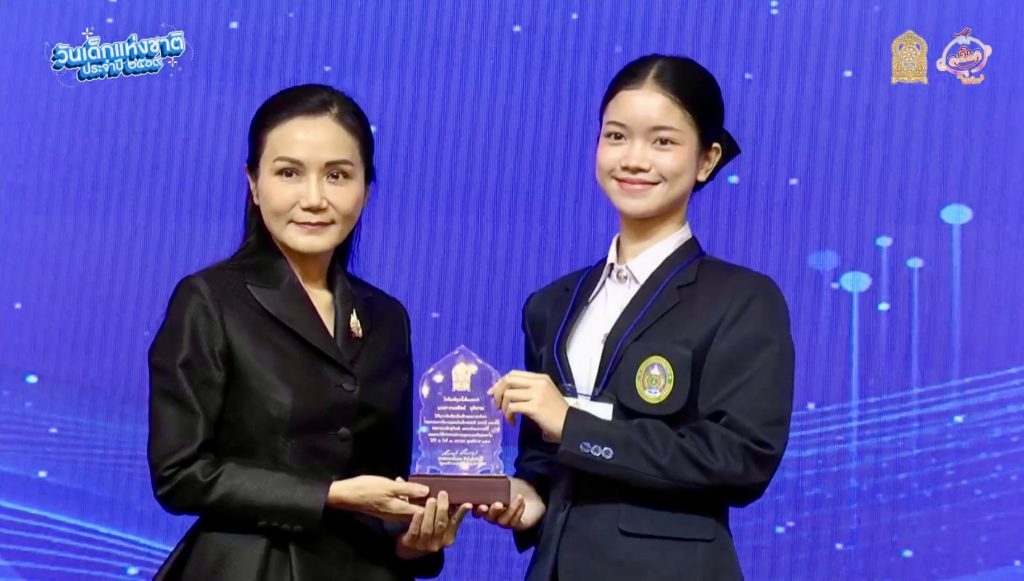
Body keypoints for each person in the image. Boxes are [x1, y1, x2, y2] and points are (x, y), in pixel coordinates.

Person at [480, 55, 796, 580]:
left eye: (663, 141)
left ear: (707, 159)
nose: (633, 159)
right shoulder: (551, 304)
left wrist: (574, 426)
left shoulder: (743, 299)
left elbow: (742, 460)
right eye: (616, 136)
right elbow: (545, 455)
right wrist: (528, 497)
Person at [148, 84, 471, 581]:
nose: (315, 199)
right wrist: (329, 496)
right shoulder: (209, 300)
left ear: (366, 188)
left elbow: (389, 484)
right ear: (254, 184)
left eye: (337, 175)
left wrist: (414, 543)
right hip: (249, 567)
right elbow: (179, 475)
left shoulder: (387, 317)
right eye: (289, 173)